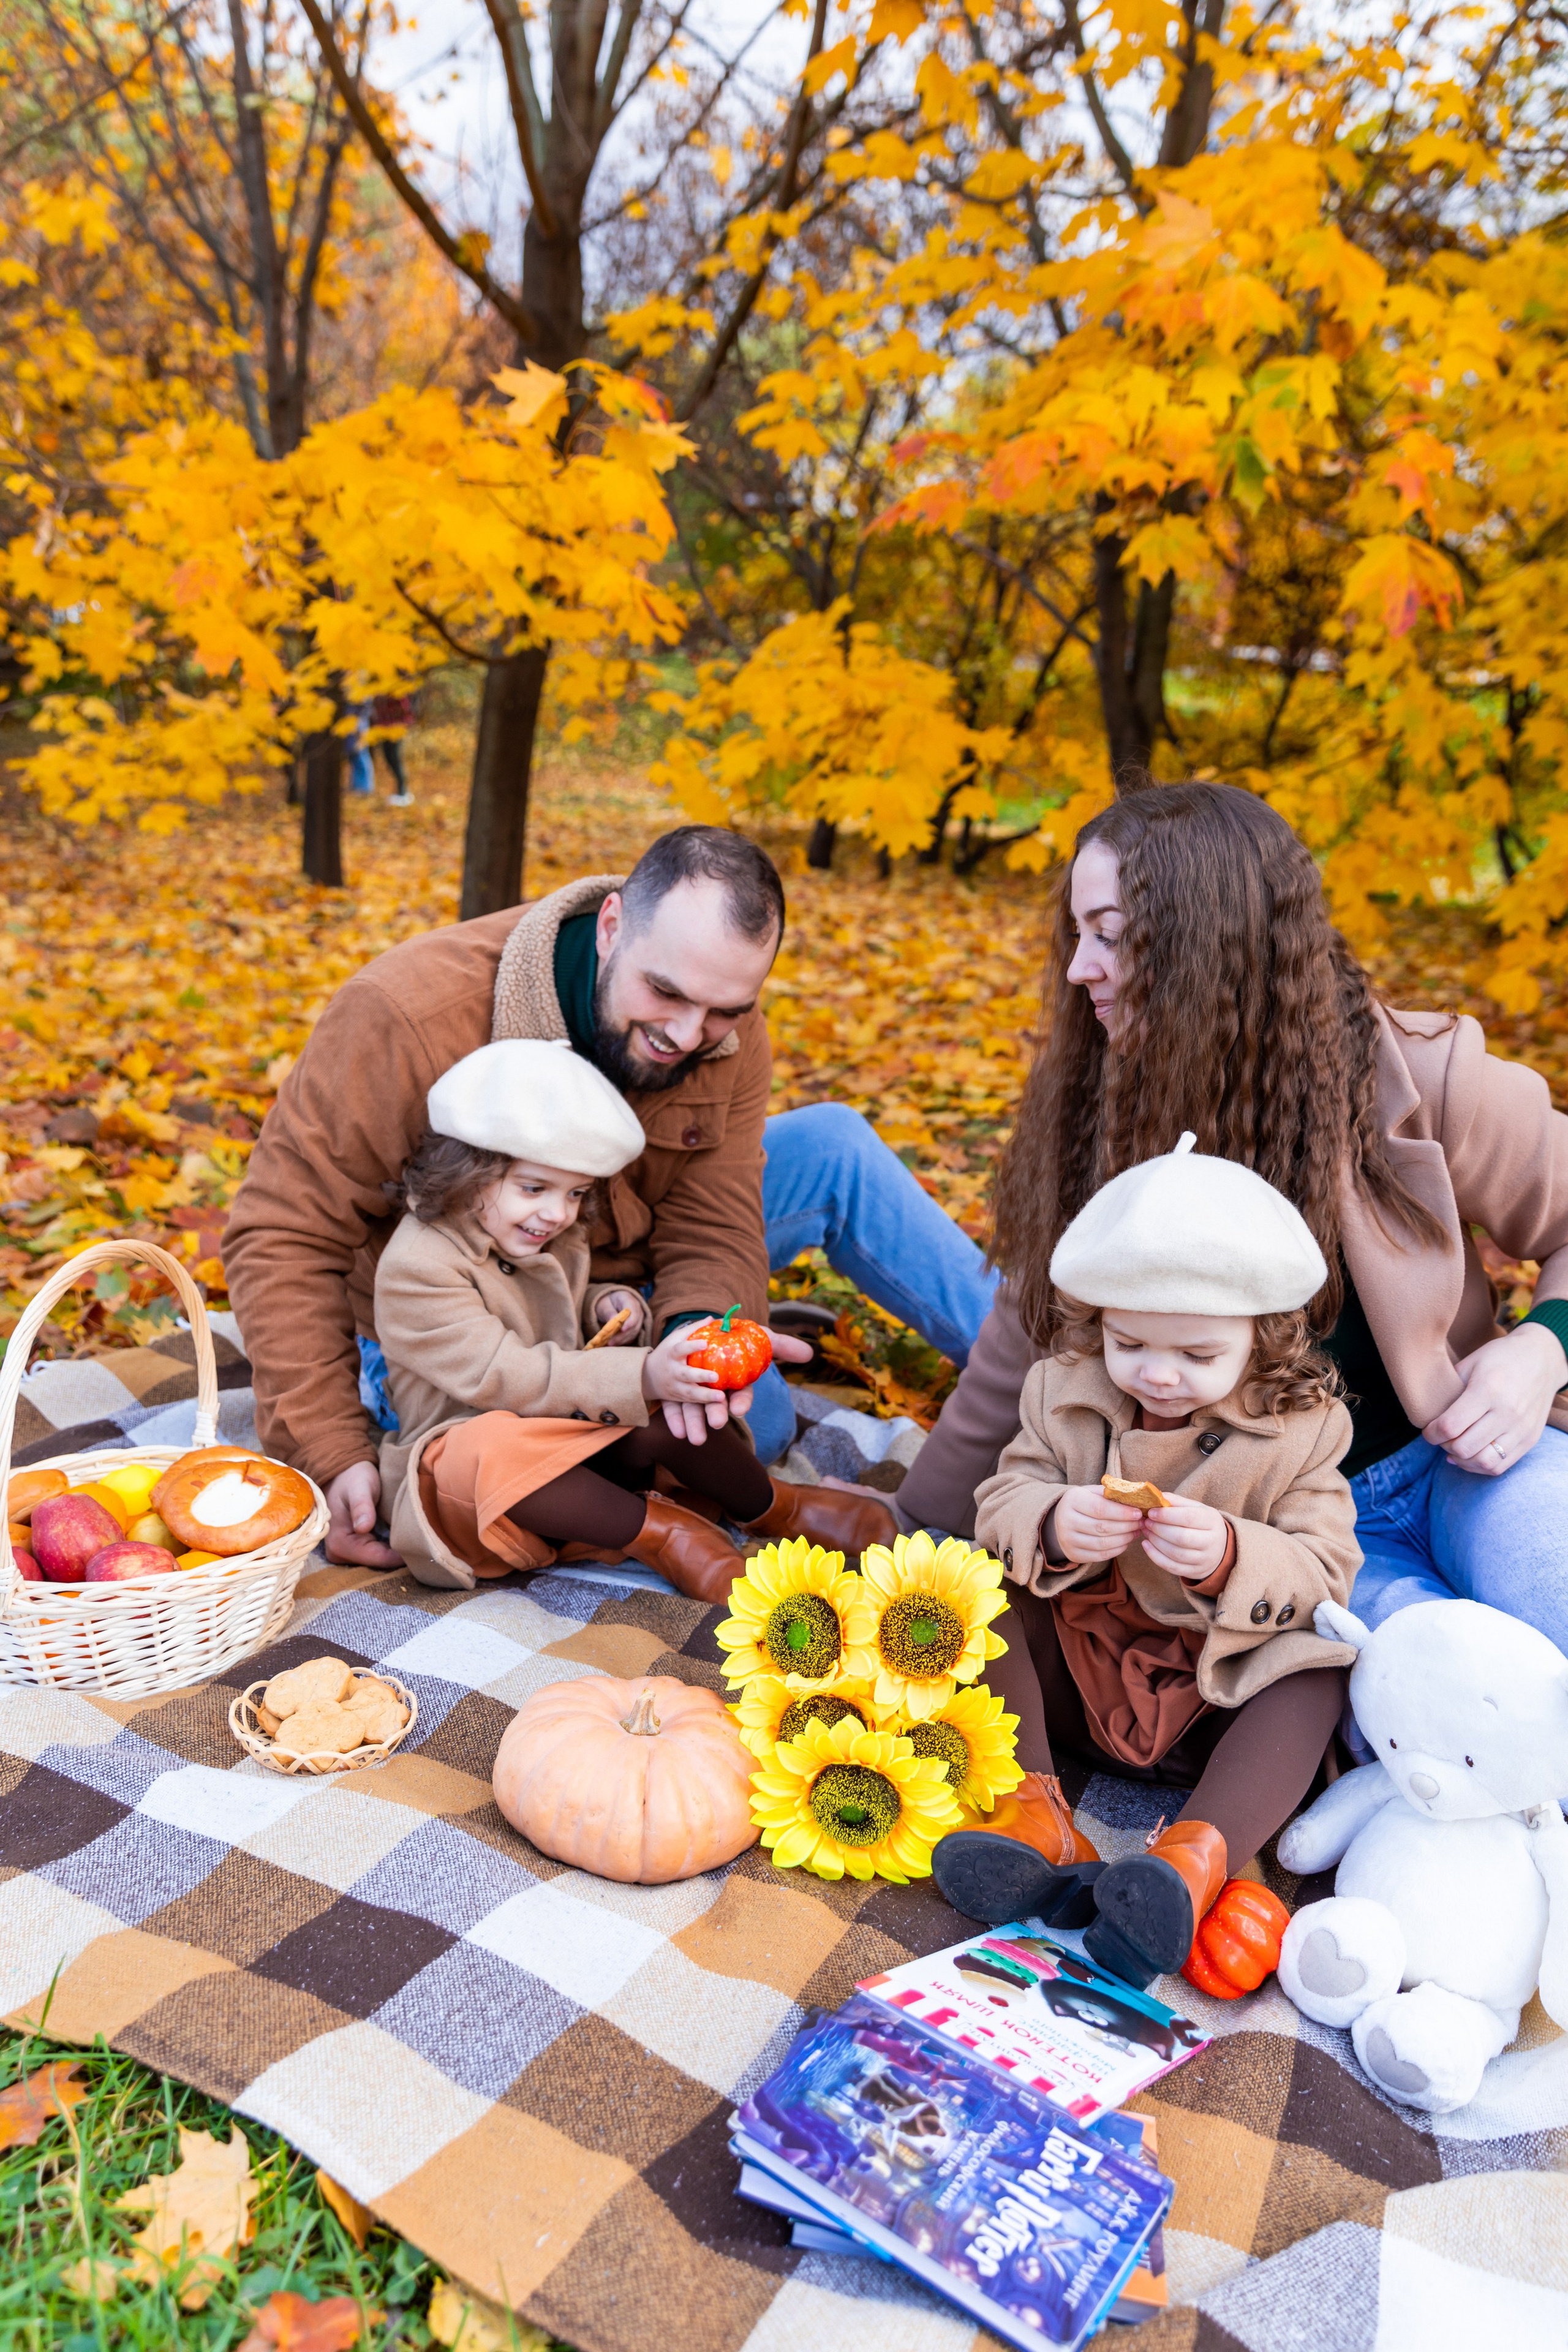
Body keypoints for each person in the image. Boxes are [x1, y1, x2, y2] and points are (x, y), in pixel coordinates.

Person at [895, 780, 1568, 1658]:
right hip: (1278, 1531)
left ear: (1203, 943)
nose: (1077, 967)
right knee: (1455, 1689)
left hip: (1462, 1469)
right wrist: (913, 1530)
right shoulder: (1096, 1119)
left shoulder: (1420, 1078)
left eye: (1107, 934)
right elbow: (1024, 1345)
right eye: (1077, 934)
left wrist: (1541, 1347)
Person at [224, 825, 984, 1567]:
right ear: (613, 925)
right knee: (765, 1418)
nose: (689, 1035)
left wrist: (697, 1341)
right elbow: (282, 1234)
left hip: (605, 1281)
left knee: (833, 1144)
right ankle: (646, 1496)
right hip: (465, 1317)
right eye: (665, 993)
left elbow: (716, 1216)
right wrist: (328, 1448)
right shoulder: (405, 1015)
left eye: (725, 1011)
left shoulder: (720, 1024)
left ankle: (1047, 1374)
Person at [930, 1133, 1359, 1990]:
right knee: (970, 1590)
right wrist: (1053, 1523)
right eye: (1131, 1346)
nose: (1159, 1376)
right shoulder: (1063, 1391)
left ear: (1265, 1339)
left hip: (1212, 1684)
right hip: (1083, 1671)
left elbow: (1326, 1568)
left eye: (1198, 1356)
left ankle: (1193, 1861)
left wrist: (1234, 1553)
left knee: (1322, 1669)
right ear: (1098, 1325)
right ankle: (1034, 1808)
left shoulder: (1305, 1429)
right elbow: (1000, 1502)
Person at [374, 1039, 809, 1601]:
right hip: (478, 1475)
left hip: (565, 1437)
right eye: (534, 1188)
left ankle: (772, 1506)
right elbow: (503, 1373)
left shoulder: (541, 1230)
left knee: (663, 1408)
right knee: (486, 1448)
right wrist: (641, 1372)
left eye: (576, 1193)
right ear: (467, 1170)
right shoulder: (417, 1266)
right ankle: (663, 1535)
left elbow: (551, 1304)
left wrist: (605, 1304)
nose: (557, 1212)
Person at [371, 692, 415, 805]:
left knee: (395, 759)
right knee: (388, 758)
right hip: (383, 730)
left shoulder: (398, 692)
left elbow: (406, 711)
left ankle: (403, 791)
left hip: (396, 730)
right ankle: (400, 790)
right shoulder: (379, 695)